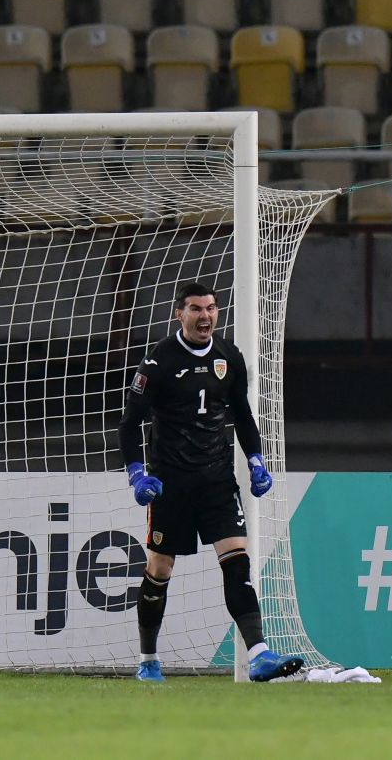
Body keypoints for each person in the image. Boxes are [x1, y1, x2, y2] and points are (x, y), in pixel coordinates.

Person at [117, 282, 304, 683]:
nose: (206, 316)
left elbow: (243, 415)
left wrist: (256, 460)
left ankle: (258, 655)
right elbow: (130, 424)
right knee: (159, 569)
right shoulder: (159, 362)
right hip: (171, 485)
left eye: (212, 309)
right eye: (196, 309)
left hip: (217, 481)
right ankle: (148, 660)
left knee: (238, 560)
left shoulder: (229, 357)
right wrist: (137, 474)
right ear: (179, 314)